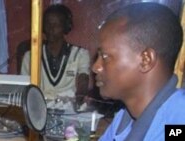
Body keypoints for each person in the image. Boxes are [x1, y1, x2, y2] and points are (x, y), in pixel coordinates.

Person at [92, 2, 185, 141]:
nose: (96, 67)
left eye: (105, 57)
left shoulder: (177, 123)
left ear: (145, 60)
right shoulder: (126, 117)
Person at [20, 4, 90, 110]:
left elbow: (83, 79)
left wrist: (79, 98)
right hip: (39, 108)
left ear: (66, 26)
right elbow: (23, 87)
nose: (51, 29)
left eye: (56, 24)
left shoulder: (80, 54)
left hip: (68, 107)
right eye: (47, 23)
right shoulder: (30, 56)